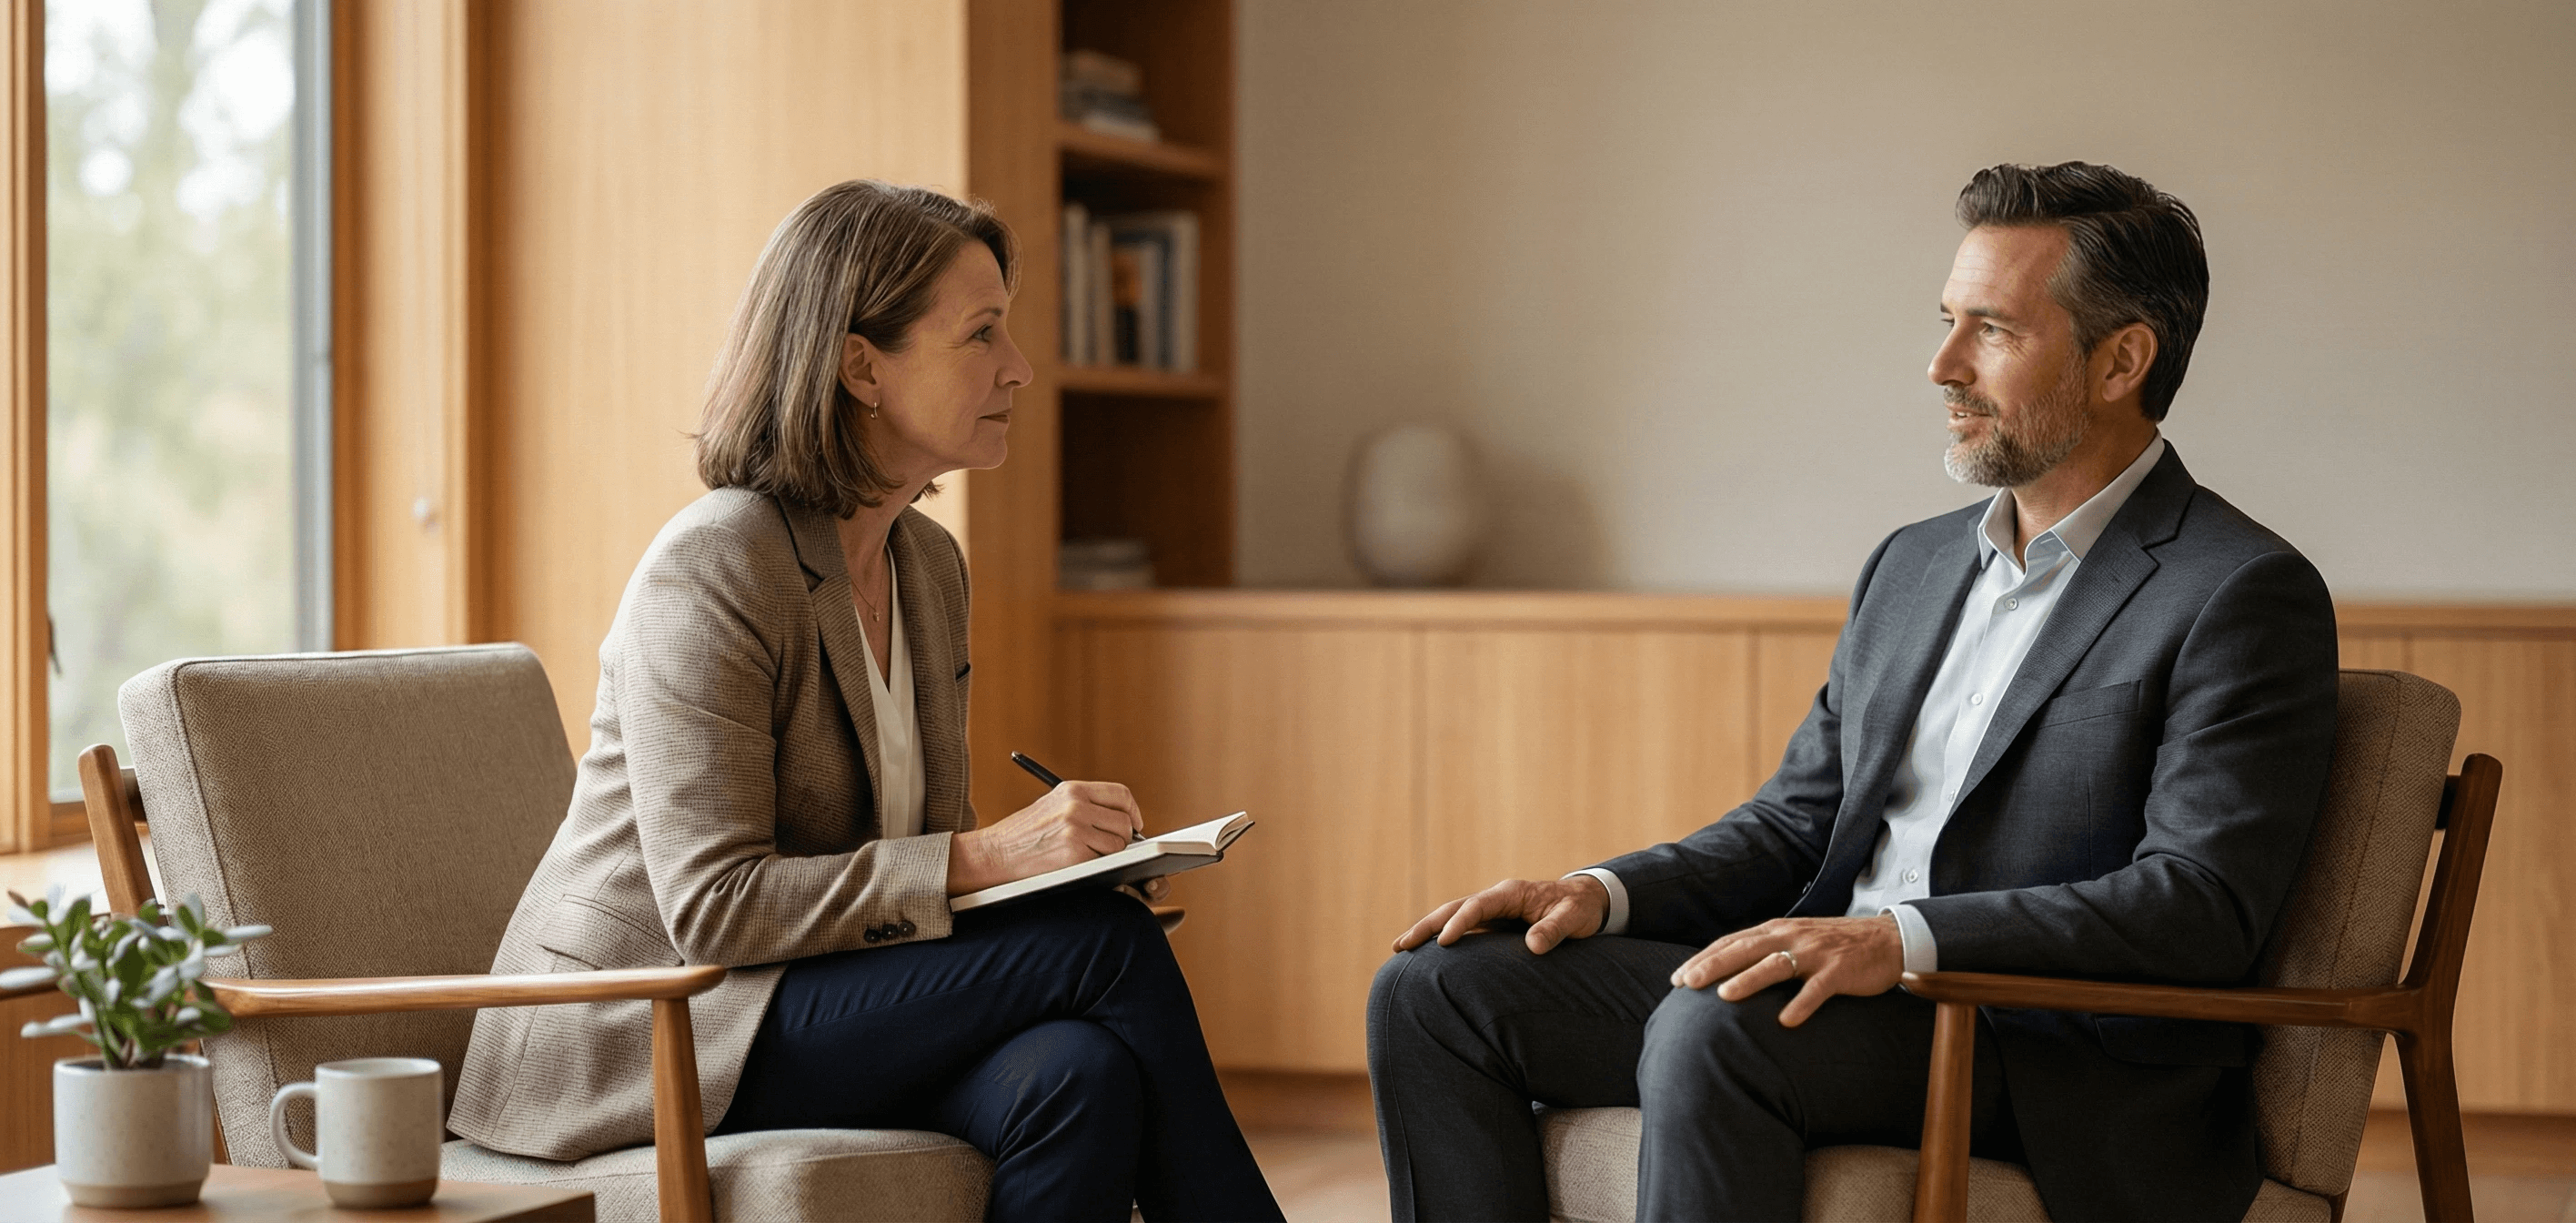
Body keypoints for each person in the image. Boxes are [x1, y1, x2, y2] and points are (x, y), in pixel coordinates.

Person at [1366, 162, 2338, 1222]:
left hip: (2041, 1046)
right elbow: (1797, 824)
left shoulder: (2236, 590)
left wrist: (1900, 939)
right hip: (1837, 994)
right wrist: (1600, 892)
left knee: (1721, 1023)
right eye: (1944, 321)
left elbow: (2197, 907)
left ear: (2121, 361)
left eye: (1992, 332)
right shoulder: (1910, 567)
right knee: (1436, 989)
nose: (1940, 365)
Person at [448, 179, 1282, 1223]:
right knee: (1103, 954)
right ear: (860, 367)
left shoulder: (926, 566)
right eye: (982, 335)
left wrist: (1055, 883)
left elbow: (917, 864)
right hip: (652, 1025)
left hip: (803, 996)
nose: (1019, 369)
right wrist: (994, 860)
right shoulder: (713, 566)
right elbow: (713, 906)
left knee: (1077, 1072)